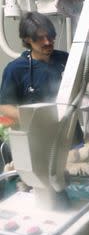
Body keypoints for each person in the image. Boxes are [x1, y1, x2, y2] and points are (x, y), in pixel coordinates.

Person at [0, 11, 83, 145]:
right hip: (39, 140)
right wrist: (33, 119)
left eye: (50, 36)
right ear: (27, 39)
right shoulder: (15, 69)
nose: (47, 42)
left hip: (71, 135)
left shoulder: (65, 59)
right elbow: (4, 107)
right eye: (40, 38)